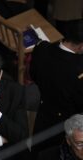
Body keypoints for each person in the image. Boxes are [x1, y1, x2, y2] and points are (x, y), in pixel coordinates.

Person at [29, 21, 83, 158]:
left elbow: (33, 75)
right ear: (81, 46)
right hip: (66, 125)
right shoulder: (79, 70)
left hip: (43, 115)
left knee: (39, 154)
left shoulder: (42, 49)